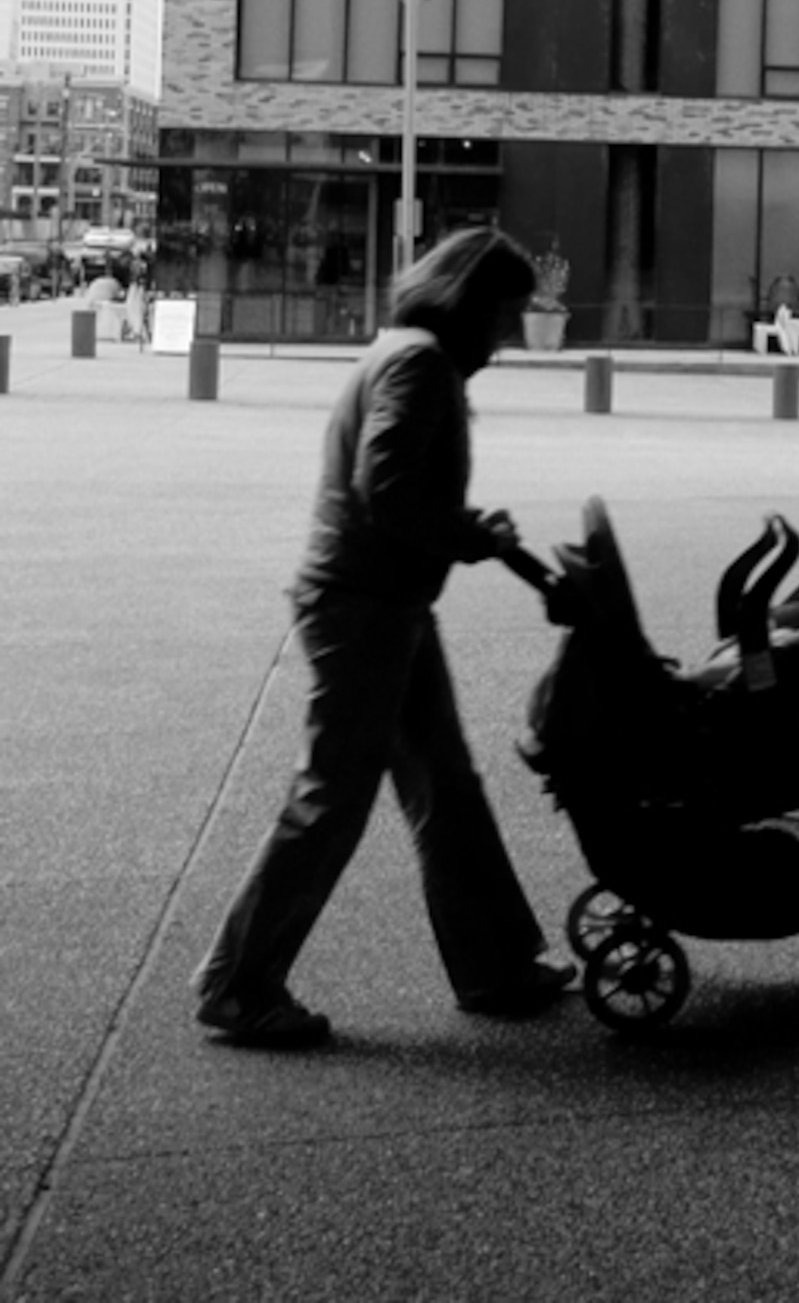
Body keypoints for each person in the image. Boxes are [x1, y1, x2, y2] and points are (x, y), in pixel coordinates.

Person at [192, 226, 573, 1047]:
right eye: (505, 315)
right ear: (468, 303)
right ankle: (237, 985)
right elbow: (388, 489)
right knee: (331, 798)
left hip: (386, 603)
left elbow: (398, 489)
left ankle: (495, 965)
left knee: (447, 786)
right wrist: (469, 536)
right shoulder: (420, 365)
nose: (509, 336)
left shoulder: (405, 351)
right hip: (361, 606)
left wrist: (467, 529)